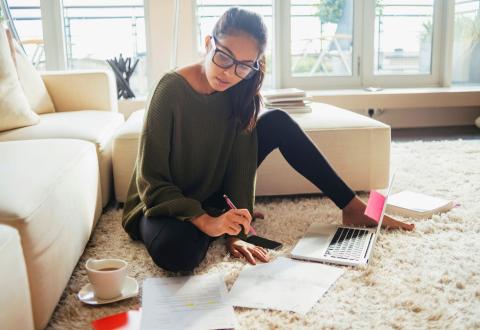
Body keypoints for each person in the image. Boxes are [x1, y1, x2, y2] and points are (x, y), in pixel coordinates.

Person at [122, 7, 414, 272]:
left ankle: (351, 206)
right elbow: (152, 181)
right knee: (177, 255)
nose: (228, 72)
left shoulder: (240, 89)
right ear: (209, 43)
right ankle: (214, 220)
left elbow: (239, 166)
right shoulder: (170, 90)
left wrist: (238, 231)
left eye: (243, 65)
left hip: (212, 190)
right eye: (223, 56)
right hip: (163, 201)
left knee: (277, 122)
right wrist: (206, 220)